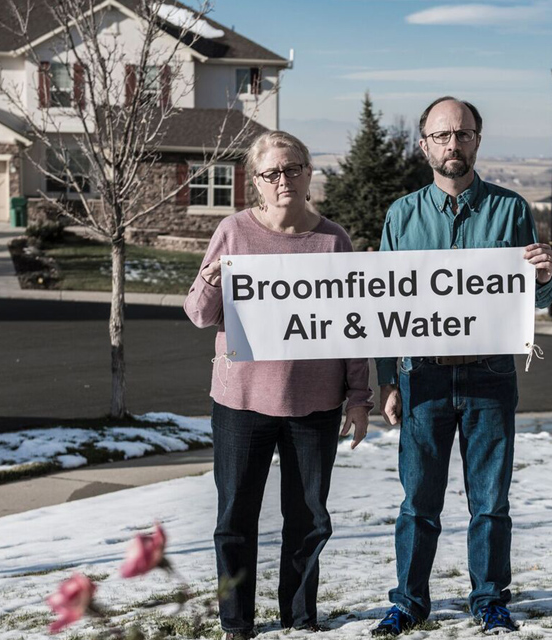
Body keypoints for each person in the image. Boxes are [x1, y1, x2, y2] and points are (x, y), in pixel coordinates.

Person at [371, 97, 552, 636]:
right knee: (418, 502)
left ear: (478, 139)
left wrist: (545, 276)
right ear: (424, 143)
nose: (454, 145)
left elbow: (538, 299)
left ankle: (489, 598)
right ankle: (408, 601)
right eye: (443, 135)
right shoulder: (401, 216)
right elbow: (385, 306)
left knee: (491, 500)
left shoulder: (511, 209)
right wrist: (387, 378)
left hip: (490, 375)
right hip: (422, 375)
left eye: (465, 134)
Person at [184, 131, 373, 640]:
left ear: (310, 173)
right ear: (257, 182)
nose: (283, 180)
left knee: (309, 518)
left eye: (293, 169)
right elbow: (200, 316)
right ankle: (236, 623)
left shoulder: (334, 241)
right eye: (272, 173)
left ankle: (299, 617)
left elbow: (353, 328)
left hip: (315, 405)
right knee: (234, 518)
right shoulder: (233, 232)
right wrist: (212, 277)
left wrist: (359, 399)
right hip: (241, 402)